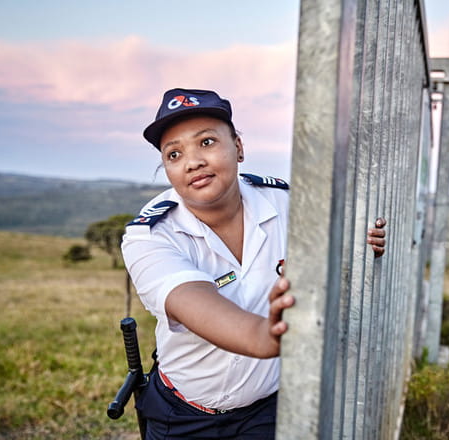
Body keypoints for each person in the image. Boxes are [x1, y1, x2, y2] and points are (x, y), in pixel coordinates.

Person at [121, 88, 386, 439]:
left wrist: (366, 242)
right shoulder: (150, 235)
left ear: (239, 147)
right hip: (183, 415)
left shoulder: (288, 203)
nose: (193, 162)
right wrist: (266, 335)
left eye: (206, 142)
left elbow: (343, 240)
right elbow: (192, 300)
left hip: (266, 409)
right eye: (174, 154)